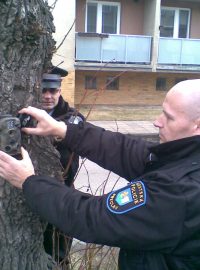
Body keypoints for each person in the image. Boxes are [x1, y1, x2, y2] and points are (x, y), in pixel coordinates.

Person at [0, 79, 200, 270]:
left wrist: (29, 182)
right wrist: (62, 129)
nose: (158, 122)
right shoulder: (184, 157)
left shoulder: (183, 192)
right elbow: (124, 150)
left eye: (169, 117)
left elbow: (93, 217)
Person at [41, 66, 84, 267]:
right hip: (30, 195)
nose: (48, 96)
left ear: (59, 90)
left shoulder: (73, 118)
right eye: (43, 90)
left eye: (53, 91)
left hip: (62, 194)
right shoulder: (24, 116)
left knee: (59, 254)